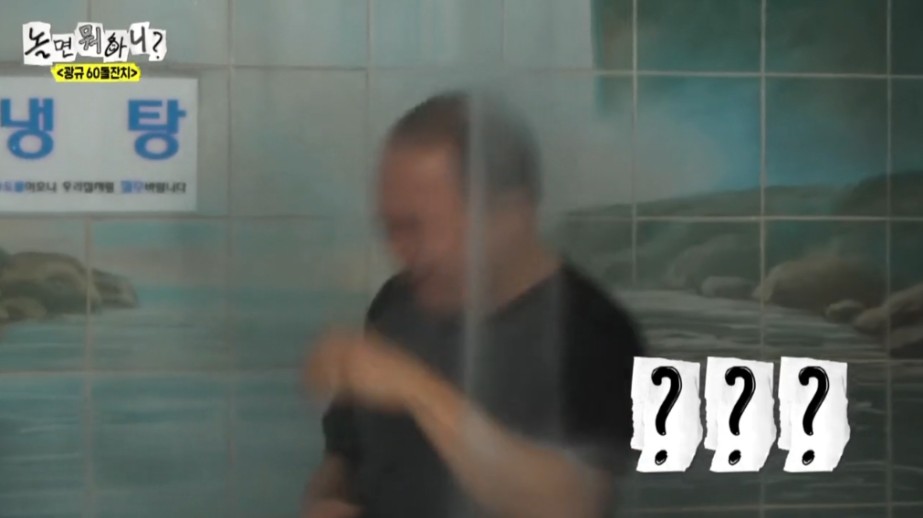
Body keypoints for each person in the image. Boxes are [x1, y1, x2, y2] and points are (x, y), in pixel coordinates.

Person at [301, 90, 645, 518]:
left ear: (509, 215)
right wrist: (327, 500)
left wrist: (414, 389)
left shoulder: (594, 331)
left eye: (416, 227)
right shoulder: (396, 304)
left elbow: (573, 503)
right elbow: (344, 456)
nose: (398, 250)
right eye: (390, 228)